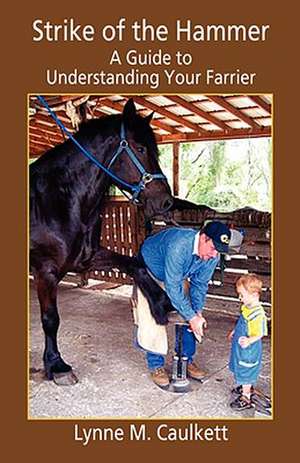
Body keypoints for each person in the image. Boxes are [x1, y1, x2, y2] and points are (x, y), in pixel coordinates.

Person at [138, 221, 232, 388]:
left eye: (218, 250)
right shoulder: (180, 246)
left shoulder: (212, 255)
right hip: (148, 269)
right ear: (203, 238)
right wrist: (192, 316)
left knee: (190, 315)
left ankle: (186, 359)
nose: (214, 254)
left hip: (175, 274)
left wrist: (197, 313)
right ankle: (155, 365)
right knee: (153, 315)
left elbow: (200, 284)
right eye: (212, 248)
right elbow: (173, 287)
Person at [228, 274, 268, 410]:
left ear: (255, 294)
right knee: (240, 367)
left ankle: (246, 398)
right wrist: (235, 331)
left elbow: (261, 332)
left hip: (249, 349)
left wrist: (249, 340)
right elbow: (241, 322)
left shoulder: (258, 314)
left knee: (246, 370)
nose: (240, 298)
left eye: (242, 295)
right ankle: (246, 387)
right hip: (241, 347)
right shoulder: (247, 307)